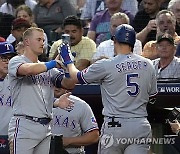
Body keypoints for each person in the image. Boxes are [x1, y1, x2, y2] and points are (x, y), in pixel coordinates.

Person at [59, 24, 158, 154]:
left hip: (115, 126)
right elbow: (153, 98)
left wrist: (68, 61)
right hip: (140, 125)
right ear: (133, 42)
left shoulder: (106, 64)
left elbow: (77, 77)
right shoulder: (148, 64)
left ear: (114, 40)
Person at [7, 27, 75, 154]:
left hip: (46, 127)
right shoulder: (16, 61)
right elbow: (27, 70)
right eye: (38, 39)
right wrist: (53, 63)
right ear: (27, 41)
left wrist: (68, 66)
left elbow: (69, 84)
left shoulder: (48, 68)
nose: (42, 43)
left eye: (43, 40)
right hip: (24, 125)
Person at [51, 87, 99, 154]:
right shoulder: (37, 103)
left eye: (60, 83)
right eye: (54, 83)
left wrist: (67, 141)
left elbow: (94, 136)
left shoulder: (80, 105)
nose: (57, 87)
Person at [0, 42, 17, 154]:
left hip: (11, 137)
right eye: (3, 58)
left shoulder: (17, 82)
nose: (7, 62)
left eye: (10, 58)